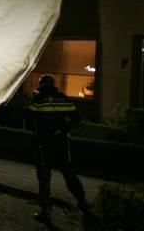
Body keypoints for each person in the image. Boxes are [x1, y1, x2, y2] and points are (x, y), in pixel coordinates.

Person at [25, 74, 92, 227]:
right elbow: (76, 118)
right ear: (53, 84)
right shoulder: (63, 98)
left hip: (43, 143)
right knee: (68, 172)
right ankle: (82, 202)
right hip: (61, 143)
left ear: (41, 85)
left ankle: (45, 211)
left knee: (44, 177)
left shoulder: (38, 99)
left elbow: (28, 120)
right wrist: (62, 130)